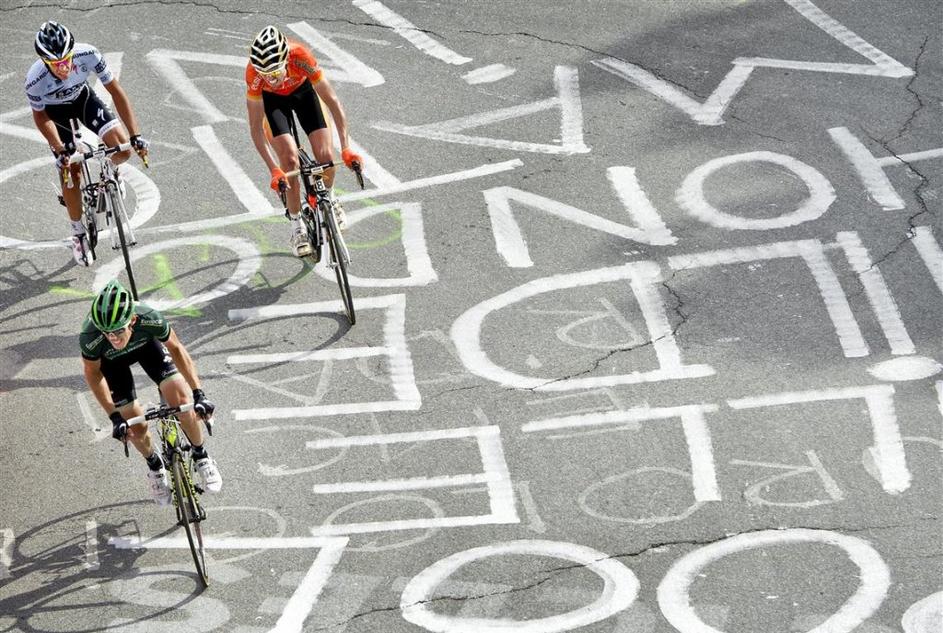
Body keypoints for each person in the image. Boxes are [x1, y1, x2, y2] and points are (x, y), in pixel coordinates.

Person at [80, 279, 222, 505]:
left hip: (148, 349)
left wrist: (199, 393)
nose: (113, 338)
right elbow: (93, 375)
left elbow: (176, 348)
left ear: (132, 320)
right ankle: (155, 466)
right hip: (112, 365)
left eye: (118, 330)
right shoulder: (91, 336)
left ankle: (201, 455)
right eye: (107, 333)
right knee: (135, 426)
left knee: (182, 401)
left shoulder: (149, 317)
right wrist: (114, 417)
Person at [25, 21, 149, 266]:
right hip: (55, 114)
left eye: (66, 60)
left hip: (83, 100)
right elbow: (40, 117)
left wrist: (135, 135)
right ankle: (78, 232)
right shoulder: (34, 79)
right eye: (56, 64)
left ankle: (111, 172)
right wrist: (60, 149)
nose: (64, 68)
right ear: (45, 62)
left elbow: (116, 92)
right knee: (71, 172)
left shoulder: (88, 54)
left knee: (123, 149)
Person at [245, 25, 363, 257]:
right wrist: (274, 169)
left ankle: (329, 199)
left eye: (275, 73)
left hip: (303, 92)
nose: (272, 79)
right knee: (289, 161)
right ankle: (297, 225)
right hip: (272, 103)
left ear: (285, 60)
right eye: (265, 75)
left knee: (326, 155)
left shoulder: (300, 56)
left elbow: (333, 102)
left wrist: (346, 148)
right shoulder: (254, 76)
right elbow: (256, 129)